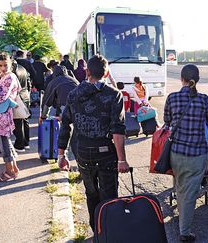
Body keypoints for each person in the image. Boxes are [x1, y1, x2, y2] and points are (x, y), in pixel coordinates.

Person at [57, 54, 130, 231]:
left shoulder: (74, 94)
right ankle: (110, 232)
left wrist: (61, 155)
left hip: (82, 152)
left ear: (87, 71)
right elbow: (117, 130)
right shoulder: (114, 95)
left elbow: (65, 123)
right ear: (106, 74)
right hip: (106, 153)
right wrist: (122, 160)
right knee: (110, 195)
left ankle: (96, 229)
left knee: (91, 193)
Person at [163, 64, 208, 242]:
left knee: (180, 185)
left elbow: (167, 120)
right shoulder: (204, 100)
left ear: (182, 79)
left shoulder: (172, 98)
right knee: (189, 193)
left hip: (176, 153)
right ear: (197, 80)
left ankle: (183, 221)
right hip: (197, 154)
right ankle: (184, 233)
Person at [0, 52, 21, 182]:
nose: (3, 68)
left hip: (3, 114)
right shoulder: (1, 76)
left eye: (6, 65)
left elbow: (2, 96)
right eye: (0, 65)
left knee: (4, 143)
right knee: (6, 142)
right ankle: (14, 169)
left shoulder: (9, 77)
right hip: (1, 113)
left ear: (10, 64)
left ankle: (10, 171)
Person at [12, 61, 32, 152]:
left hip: (18, 97)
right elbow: (29, 84)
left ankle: (19, 145)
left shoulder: (13, 70)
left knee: (18, 122)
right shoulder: (23, 69)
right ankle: (26, 142)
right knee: (25, 120)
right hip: (26, 96)